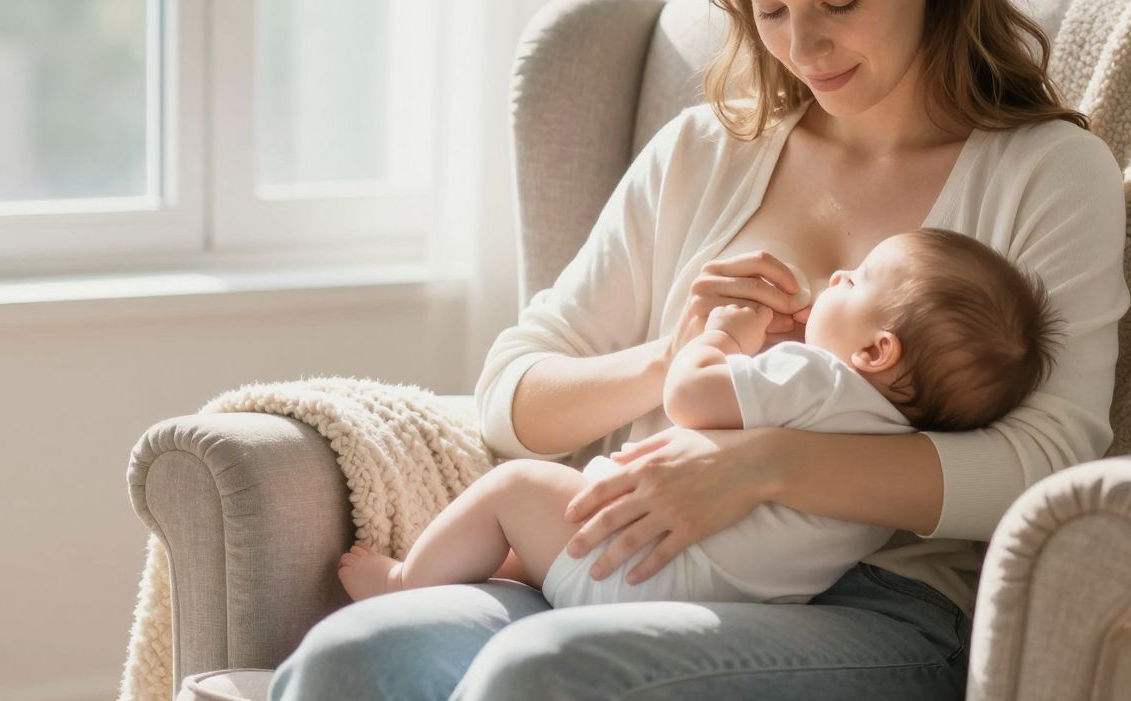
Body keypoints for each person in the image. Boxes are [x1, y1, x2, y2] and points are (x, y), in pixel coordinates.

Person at [241, 0, 1131, 701]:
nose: (804, 47)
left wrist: (763, 465)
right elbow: (511, 396)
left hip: (882, 608)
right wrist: (667, 363)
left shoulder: (1043, 172)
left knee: (546, 675)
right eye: (767, 11)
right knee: (347, 660)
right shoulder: (707, 153)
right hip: (634, 564)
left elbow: (1049, 463)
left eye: (839, 1)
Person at [336, 228, 1063, 609]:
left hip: (640, 567)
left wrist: (721, 337)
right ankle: (505, 571)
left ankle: (404, 582)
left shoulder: (816, 377)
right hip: (718, 598)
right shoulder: (895, 448)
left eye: (859, 279)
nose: (840, 274)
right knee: (537, 533)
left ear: (875, 351)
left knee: (517, 488)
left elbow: (691, 398)